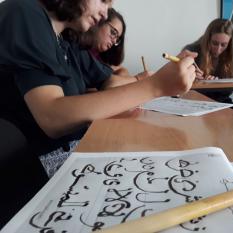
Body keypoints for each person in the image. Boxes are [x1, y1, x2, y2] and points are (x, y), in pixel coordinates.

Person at [0, 0, 196, 177]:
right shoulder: (23, 12)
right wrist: (156, 86)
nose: (105, 13)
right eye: (103, 1)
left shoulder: (66, 40)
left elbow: (108, 82)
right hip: (46, 166)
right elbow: (53, 116)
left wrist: (159, 81)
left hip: (77, 150)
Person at [183, 18, 233, 115]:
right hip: (195, 102)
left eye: (223, 45)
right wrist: (193, 79)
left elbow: (228, 92)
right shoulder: (191, 51)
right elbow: (179, 86)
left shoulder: (228, 55)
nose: (218, 49)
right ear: (208, 39)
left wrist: (217, 83)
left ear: (229, 43)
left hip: (220, 102)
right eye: (215, 43)